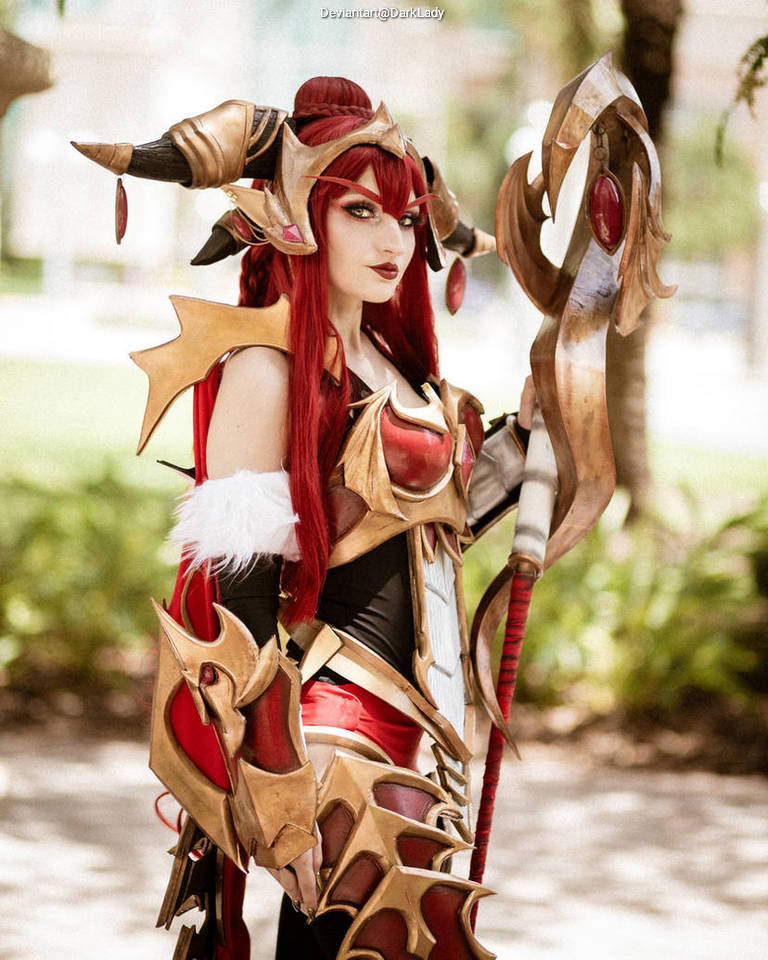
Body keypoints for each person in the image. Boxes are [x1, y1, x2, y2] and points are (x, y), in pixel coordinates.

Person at [75, 75, 533, 960]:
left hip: (425, 732)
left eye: (404, 218)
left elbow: (433, 530)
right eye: (360, 211)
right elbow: (237, 605)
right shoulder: (267, 369)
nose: (392, 239)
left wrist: (543, 433)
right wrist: (277, 795)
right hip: (333, 739)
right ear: (297, 213)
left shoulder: (401, 370)